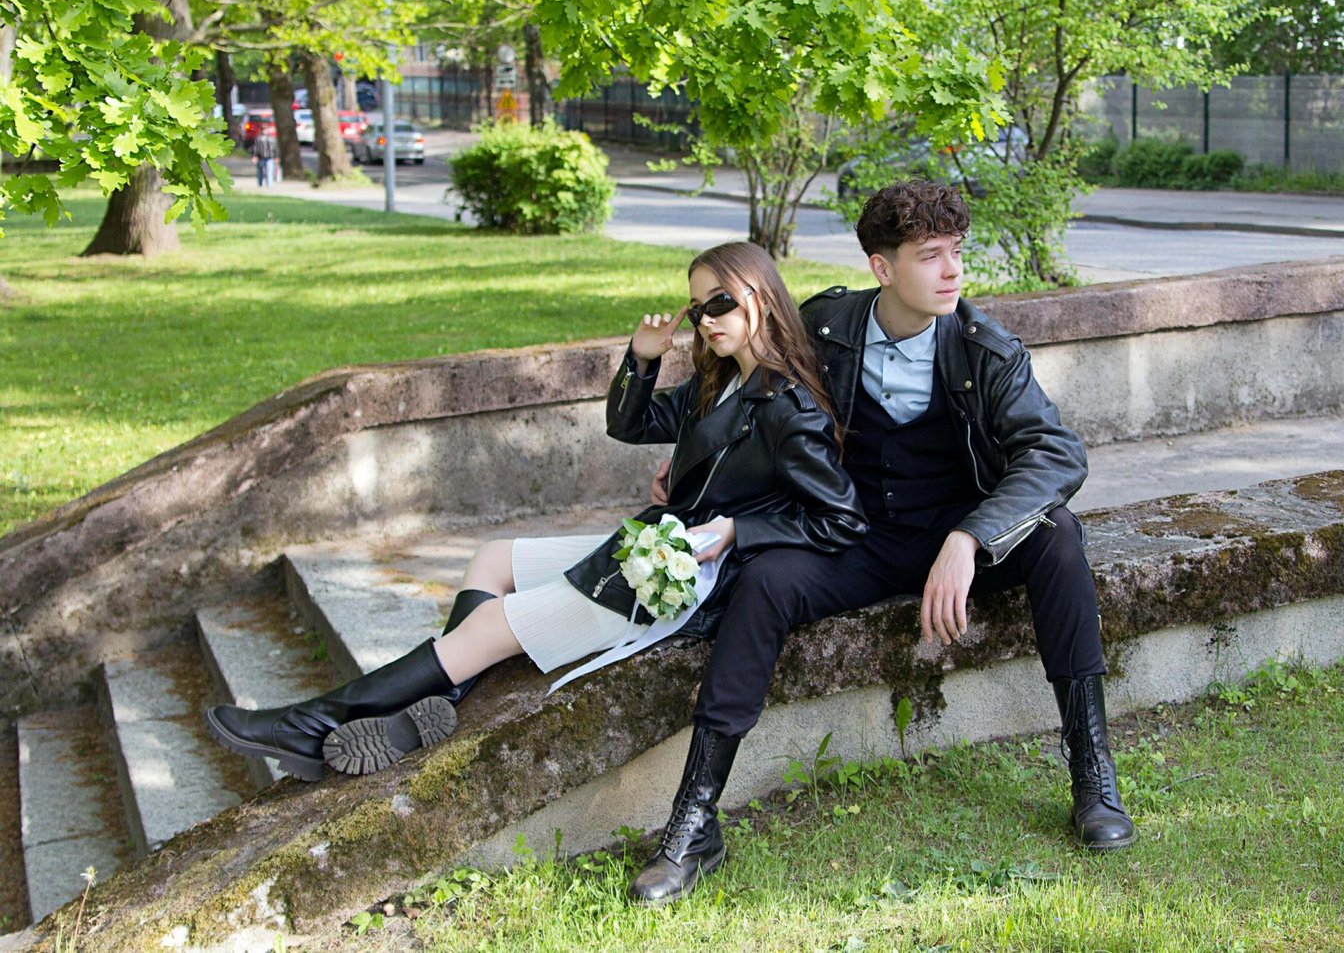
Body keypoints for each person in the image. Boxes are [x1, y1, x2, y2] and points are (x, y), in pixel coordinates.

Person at [628, 179, 1134, 905]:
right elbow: (750, 393)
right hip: (854, 536)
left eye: (956, 251)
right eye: (931, 256)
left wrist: (969, 537)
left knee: (1058, 537)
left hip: (955, 534)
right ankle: (695, 822)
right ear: (882, 267)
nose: (953, 271)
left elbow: (1056, 455)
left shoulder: (986, 349)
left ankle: (1093, 774)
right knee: (765, 582)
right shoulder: (825, 325)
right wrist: (691, 465)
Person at [203, 242, 866, 795]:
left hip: (682, 581)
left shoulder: (789, 408)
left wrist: (736, 529)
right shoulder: (718, 382)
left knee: (489, 626)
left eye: (720, 302)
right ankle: (445, 696)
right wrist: (642, 358)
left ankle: (309, 724)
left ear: (760, 296)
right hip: (648, 548)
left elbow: (841, 518)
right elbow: (629, 424)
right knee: (493, 559)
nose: (706, 319)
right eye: (698, 307)